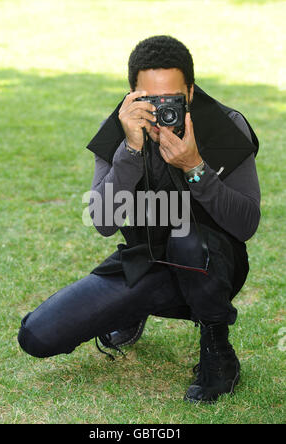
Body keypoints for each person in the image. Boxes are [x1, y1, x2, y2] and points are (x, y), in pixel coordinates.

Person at [18, 35, 261, 403]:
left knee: (187, 239)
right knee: (37, 335)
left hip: (214, 264)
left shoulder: (224, 125)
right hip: (146, 259)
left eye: (172, 99)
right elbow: (101, 221)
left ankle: (218, 351)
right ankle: (133, 308)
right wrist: (130, 150)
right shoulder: (122, 128)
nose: (161, 108)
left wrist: (195, 167)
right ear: (132, 93)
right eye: (149, 99)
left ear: (191, 92)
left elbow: (246, 225)